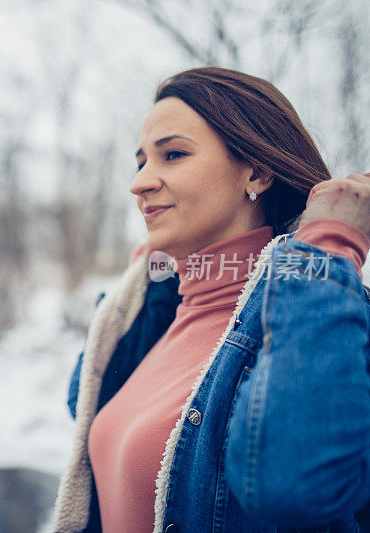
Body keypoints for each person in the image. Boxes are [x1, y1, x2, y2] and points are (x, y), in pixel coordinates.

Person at [50, 66, 370, 532]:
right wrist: (155, 282)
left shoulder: (326, 314)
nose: (139, 183)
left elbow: (292, 486)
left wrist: (323, 250)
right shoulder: (166, 308)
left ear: (257, 172)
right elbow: (83, 402)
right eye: (141, 162)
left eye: (173, 154)